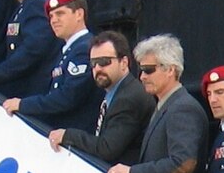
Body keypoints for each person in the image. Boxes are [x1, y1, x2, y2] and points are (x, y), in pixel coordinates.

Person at [107, 34, 206, 173]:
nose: (142, 77)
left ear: (170, 69)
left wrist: (131, 172)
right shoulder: (165, 106)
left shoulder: (183, 108)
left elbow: (182, 164)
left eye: (148, 70)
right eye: (141, 70)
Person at [4, 0, 98, 134]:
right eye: (51, 16)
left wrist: (23, 104)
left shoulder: (85, 49)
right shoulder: (69, 49)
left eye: (60, 14)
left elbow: (67, 97)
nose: (54, 20)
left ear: (79, 14)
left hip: (74, 139)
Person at [53, 31, 151, 165]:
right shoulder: (116, 93)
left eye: (104, 61)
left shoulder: (128, 98)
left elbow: (107, 148)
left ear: (124, 62)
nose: (98, 68)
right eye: (93, 63)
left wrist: (68, 135)